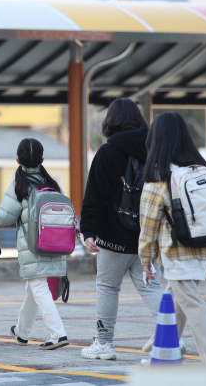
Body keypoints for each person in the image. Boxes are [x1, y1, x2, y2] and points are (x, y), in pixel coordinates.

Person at [80, 98, 166, 360]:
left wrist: (89, 232)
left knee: (107, 287)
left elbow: (94, 197)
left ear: (110, 121)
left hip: (113, 237)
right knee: (152, 287)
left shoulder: (107, 153)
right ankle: (172, 336)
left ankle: (104, 344)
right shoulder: (156, 149)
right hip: (148, 236)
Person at [139, 112, 206, 365]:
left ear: (155, 140)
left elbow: (148, 225)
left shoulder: (158, 176)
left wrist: (146, 259)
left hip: (178, 252)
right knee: (175, 297)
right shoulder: (203, 170)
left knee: (192, 304)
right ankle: (162, 349)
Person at [0, 138, 69, 350]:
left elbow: (2, 218)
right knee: (34, 287)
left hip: (33, 246)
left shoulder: (19, 185)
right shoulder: (53, 185)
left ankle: (58, 334)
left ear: (18, 159)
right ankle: (21, 332)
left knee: (38, 287)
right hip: (56, 244)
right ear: (42, 159)